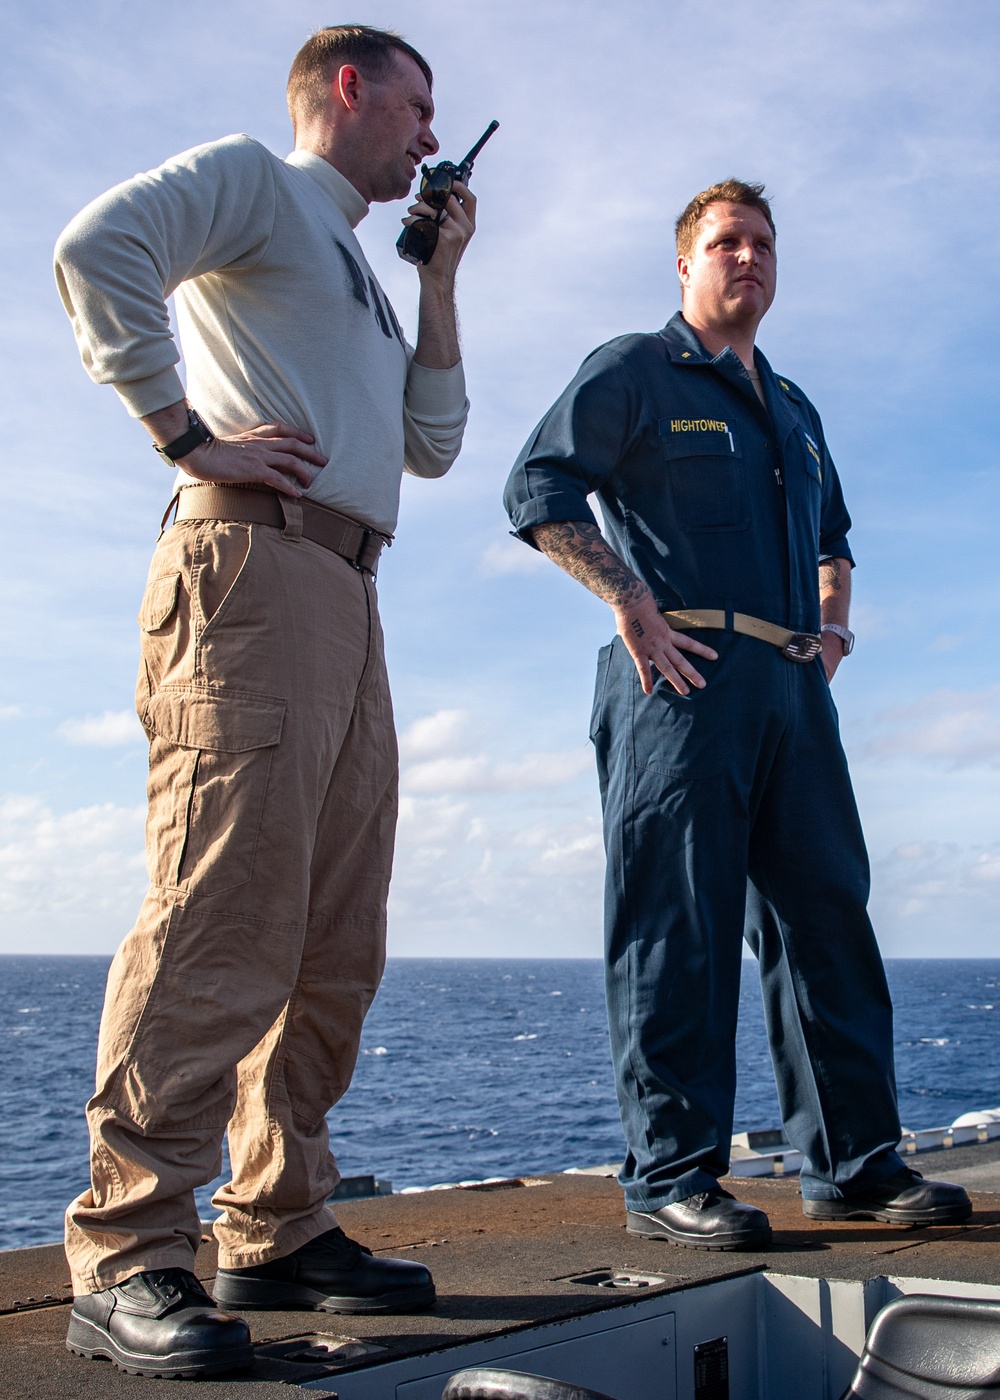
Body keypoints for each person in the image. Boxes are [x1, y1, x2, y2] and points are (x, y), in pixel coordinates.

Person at [54, 25, 476, 1378]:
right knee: (224, 903)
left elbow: (433, 442)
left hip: (349, 590)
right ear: (346, 88)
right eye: (418, 106)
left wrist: (444, 277)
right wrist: (186, 434)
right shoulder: (257, 179)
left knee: (328, 936)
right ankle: (127, 1249)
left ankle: (278, 1224)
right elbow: (96, 251)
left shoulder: (356, 263)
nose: (429, 135)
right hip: (248, 563)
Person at [503, 180, 970, 1252]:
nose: (746, 257)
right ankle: (670, 1175)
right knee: (679, 927)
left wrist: (831, 632)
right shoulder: (635, 370)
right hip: (682, 678)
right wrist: (628, 599)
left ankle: (853, 1164)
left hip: (792, 689)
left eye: (761, 242)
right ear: (684, 264)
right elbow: (538, 485)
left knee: (826, 922)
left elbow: (835, 537)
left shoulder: (795, 409)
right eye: (724, 242)